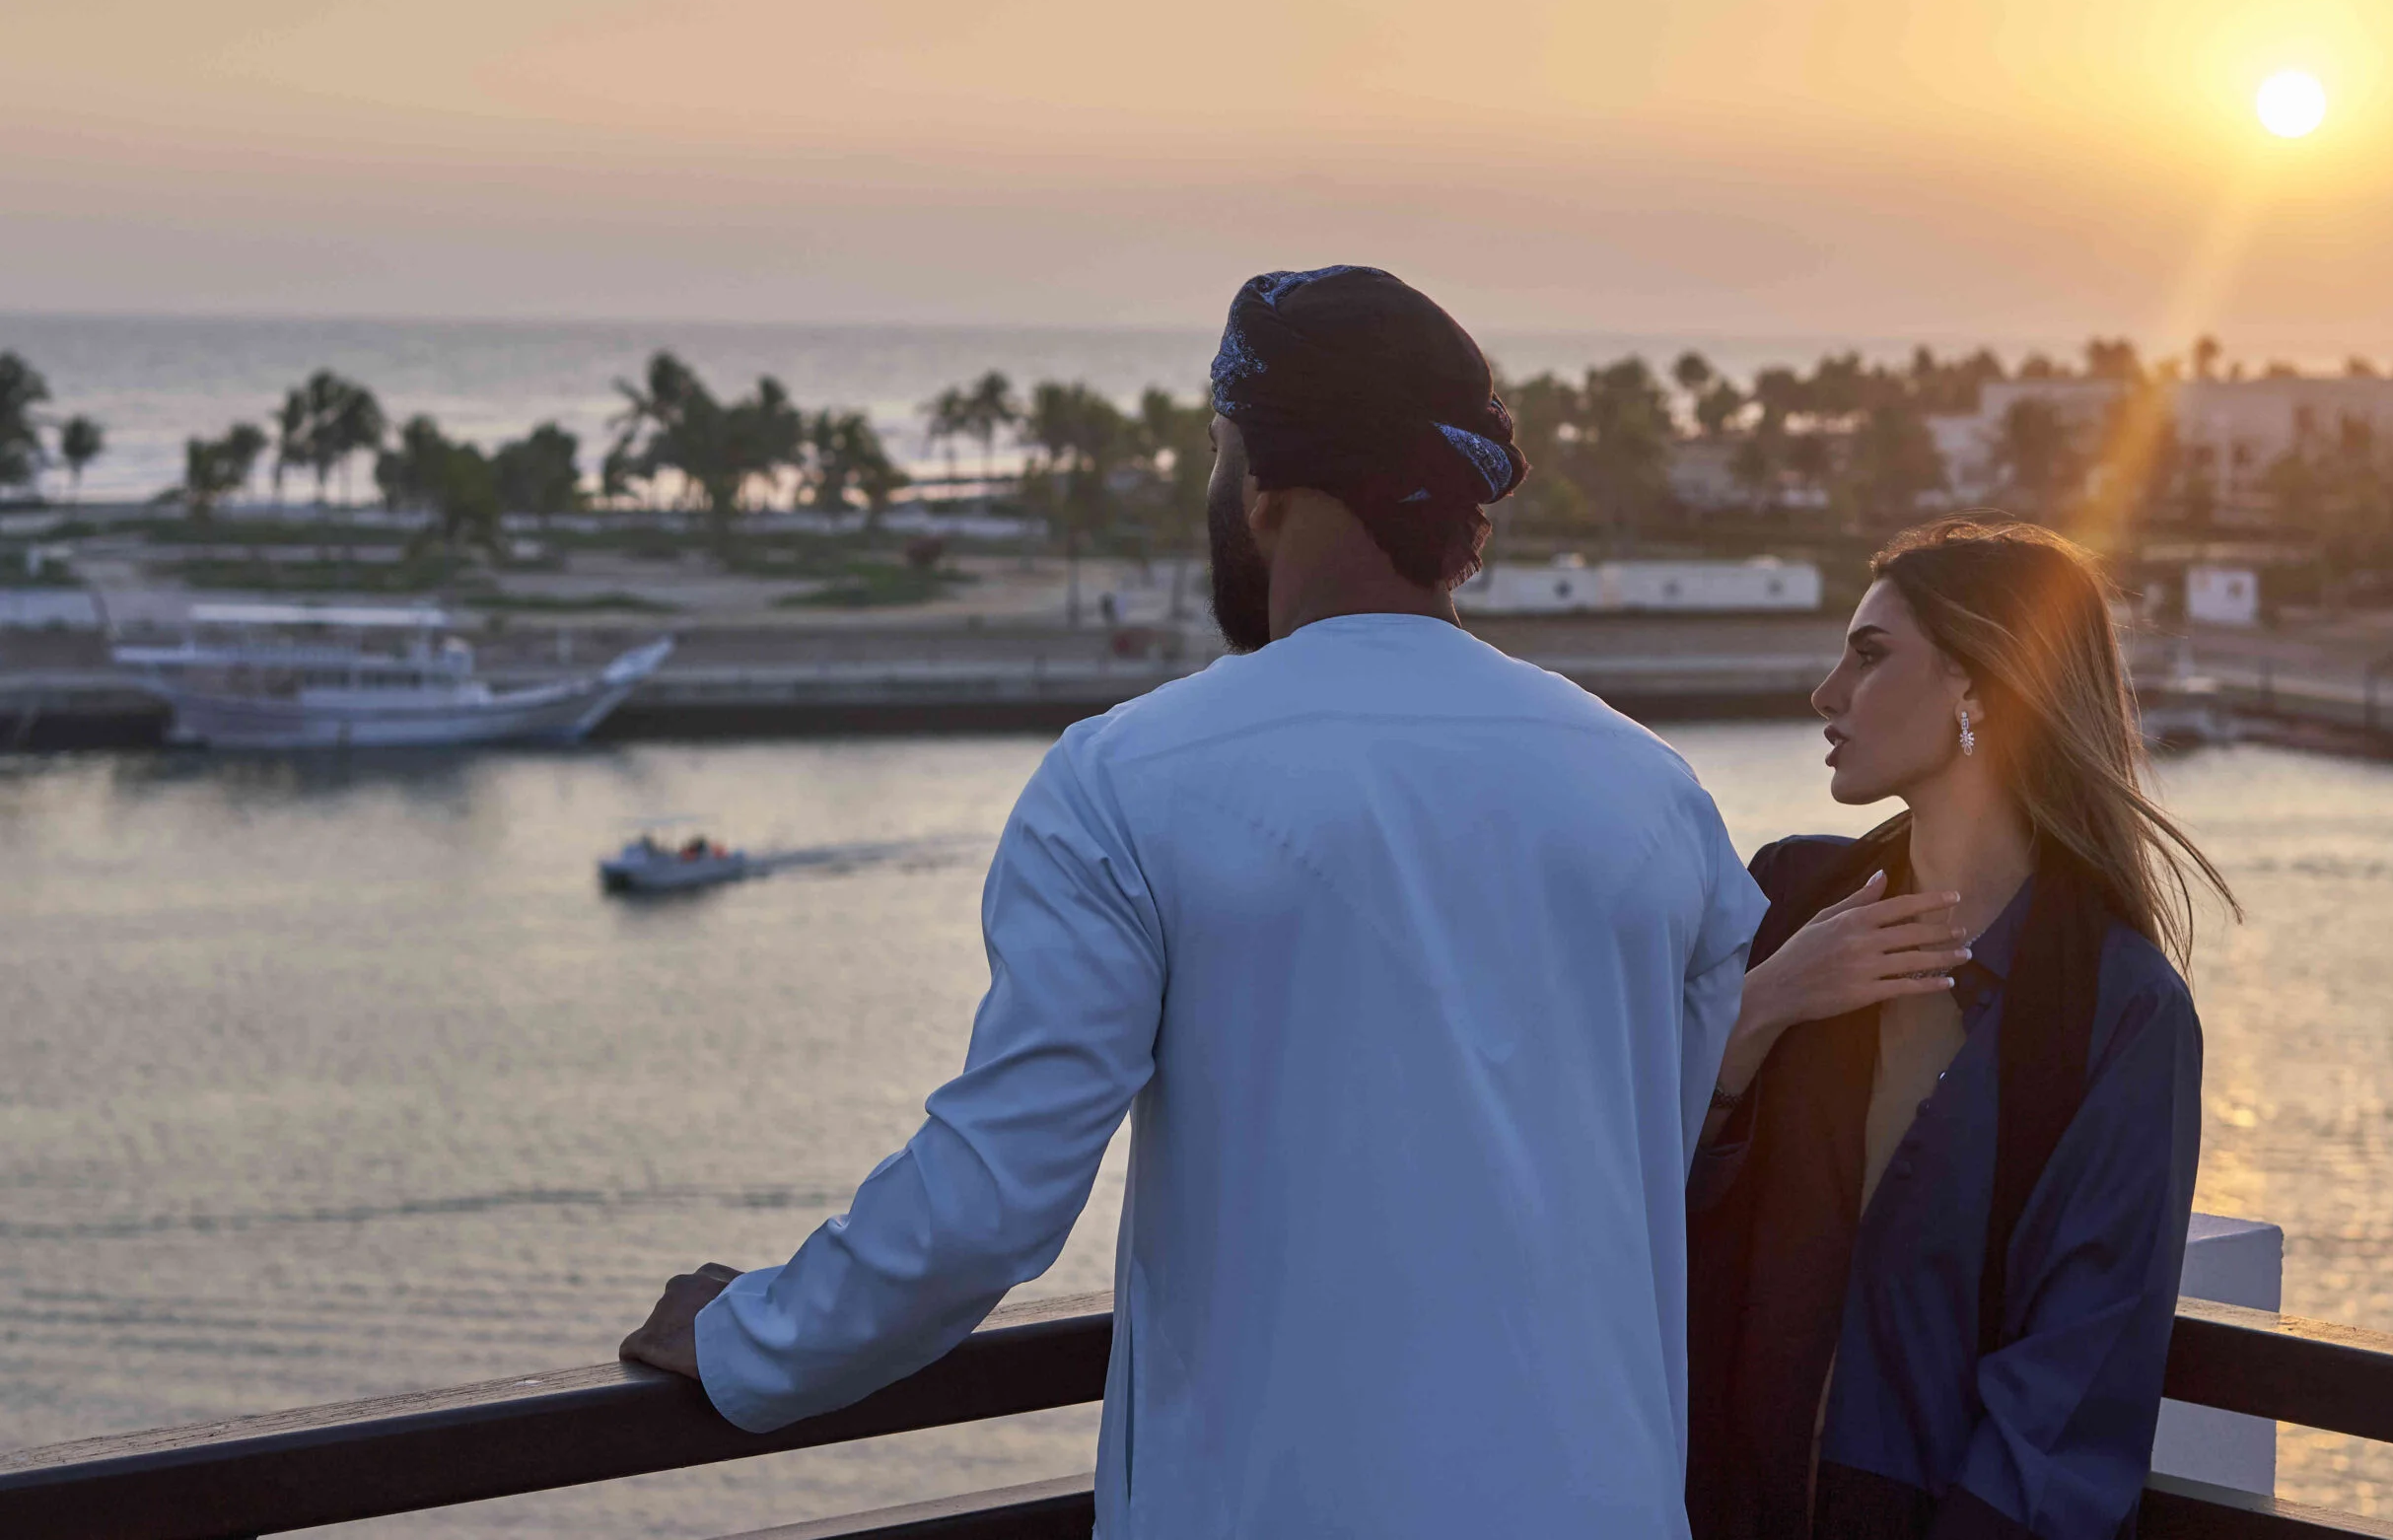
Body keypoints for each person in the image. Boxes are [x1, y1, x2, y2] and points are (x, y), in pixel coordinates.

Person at [622, 265, 1765, 1537]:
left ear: (1265, 483)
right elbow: (1635, 1168)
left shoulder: (1127, 781)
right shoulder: (1653, 792)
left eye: (1217, 454)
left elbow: (993, 1201)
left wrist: (753, 1340)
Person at [1687, 520, 2237, 1540]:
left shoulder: (2121, 1009)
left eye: (1869, 656)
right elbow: (1641, 1196)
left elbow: (2078, 1374)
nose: (1825, 694)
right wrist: (1763, 1005)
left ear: (1977, 688)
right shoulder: (1787, 899)